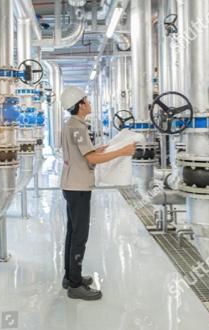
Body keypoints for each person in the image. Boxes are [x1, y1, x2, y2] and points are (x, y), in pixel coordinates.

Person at [60, 86, 136, 301]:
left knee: (72, 232)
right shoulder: (78, 127)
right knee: (80, 235)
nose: (89, 102)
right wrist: (122, 151)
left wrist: (100, 149)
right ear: (80, 105)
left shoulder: (71, 125)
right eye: (87, 99)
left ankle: (70, 276)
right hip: (78, 186)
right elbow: (90, 160)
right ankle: (75, 285)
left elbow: (84, 153)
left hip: (71, 184)